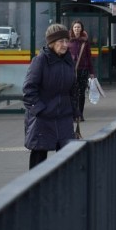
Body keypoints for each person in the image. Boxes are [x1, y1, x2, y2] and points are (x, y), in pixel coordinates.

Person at [23, 23, 80, 169]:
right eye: (61, 41)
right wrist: (41, 110)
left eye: (66, 41)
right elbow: (29, 90)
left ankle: (62, 190)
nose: (65, 45)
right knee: (39, 160)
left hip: (63, 118)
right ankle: (35, 189)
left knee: (66, 160)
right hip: (43, 119)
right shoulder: (40, 60)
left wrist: (75, 111)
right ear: (51, 43)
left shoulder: (68, 61)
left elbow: (73, 89)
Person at [68, 20, 94, 121]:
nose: (76, 29)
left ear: (81, 29)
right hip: (71, 70)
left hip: (83, 69)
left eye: (78, 27)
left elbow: (89, 56)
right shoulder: (68, 41)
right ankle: (73, 113)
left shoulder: (85, 41)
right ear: (72, 28)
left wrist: (92, 72)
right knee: (72, 92)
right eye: (75, 27)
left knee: (81, 93)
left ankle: (80, 114)